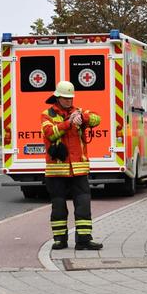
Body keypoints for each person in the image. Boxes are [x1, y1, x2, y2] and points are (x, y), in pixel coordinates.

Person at [41, 81, 103, 250]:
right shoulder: (47, 115)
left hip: (79, 168)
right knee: (59, 206)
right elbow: (50, 134)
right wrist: (69, 123)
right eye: (65, 98)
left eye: (70, 98)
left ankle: (84, 240)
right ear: (57, 97)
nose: (69, 101)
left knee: (83, 204)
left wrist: (83, 117)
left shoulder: (79, 112)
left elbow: (97, 119)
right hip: (57, 170)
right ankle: (59, 240)